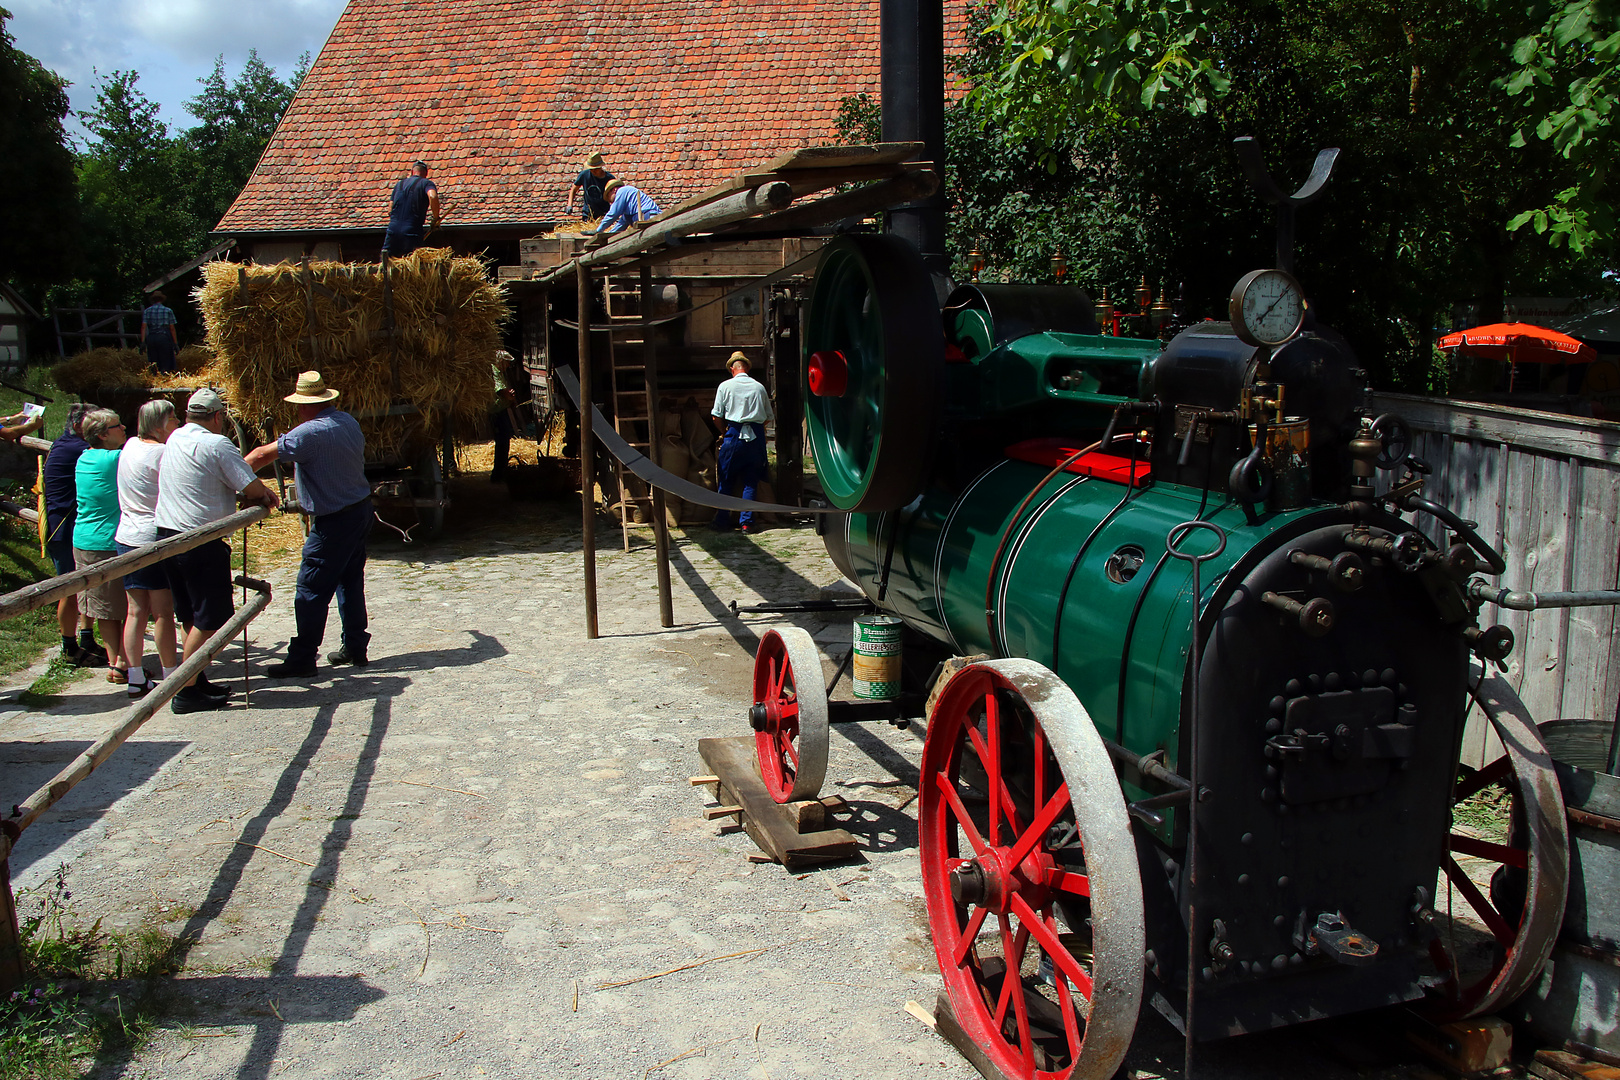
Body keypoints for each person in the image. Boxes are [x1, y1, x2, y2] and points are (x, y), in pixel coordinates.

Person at [154, 388, 279, 712]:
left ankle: (197, 680)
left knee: (190, 613)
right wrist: (264, 493)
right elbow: (249, 485)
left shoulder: (176, 439)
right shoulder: (217, 443)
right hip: (200, 538)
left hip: (167, 534)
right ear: (218, 417)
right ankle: (184, 688)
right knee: (214, 615)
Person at [245, 372, 373, 677]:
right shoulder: (347, 422)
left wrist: (241, 484)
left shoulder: (307, 434)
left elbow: (260, 455)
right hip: (359, 510)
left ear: (303, 406)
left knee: (310, 587)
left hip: (333, 520)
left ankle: (302, 657)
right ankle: (355, 645)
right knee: (349, 580)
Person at [116, 399, 182, 698]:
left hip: (126, 535)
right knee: (164, 612)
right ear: (158, 425)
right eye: (172, 419)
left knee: (135, 611)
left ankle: (134, 675)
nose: (177, 423)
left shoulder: (130, 445)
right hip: (152, 536)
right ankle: (171, 673)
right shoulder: (162, 452)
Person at [72, 409, 133, 683]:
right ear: (102, 434)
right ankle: (120, 663)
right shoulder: (114, 459)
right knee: (120, 605)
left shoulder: (85, 456)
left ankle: (116, 660)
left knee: (104, 607)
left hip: (85, 539)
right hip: (106, 541)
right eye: (116, 425)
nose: (123, 427)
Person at [42, 403, 100, 665]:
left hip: (72, 525)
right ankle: (68, 647)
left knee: (85, 584)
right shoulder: (78, 449)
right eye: (94, 424)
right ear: (79, 426)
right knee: (69, 587)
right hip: (64, 527)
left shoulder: (66, 444)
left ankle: (86, 637)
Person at [708, 351, 774, 533]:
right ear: (747, 368)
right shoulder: (759, 387)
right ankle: (746, 523)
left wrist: (724, 431)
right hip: (755, 437)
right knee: (751, 481)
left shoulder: (725, 386)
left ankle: (722, 521)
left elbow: (716, 416)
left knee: (726, 479)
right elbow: (768, 416)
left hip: (734, 435)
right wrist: (754, 426)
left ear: (732, 369)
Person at [382, 160, 440, 257]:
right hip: (412, 232)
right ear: (426, 174)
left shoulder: (398, 185)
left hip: (392, 231)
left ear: (412, 171)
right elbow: (433, 196)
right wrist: (435, 218)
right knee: (412, 266)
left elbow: (390, 210)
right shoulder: (426, 183)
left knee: (386, 264)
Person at [594, 179, 661, 235]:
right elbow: (621, 225)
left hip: (650, 216)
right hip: (644, 216)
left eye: (609, 196)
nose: (611, 202)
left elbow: (613, 214)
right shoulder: (628, 210)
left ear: (613, 190)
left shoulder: (622, 191)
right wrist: (608, 235)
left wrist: (599, 230)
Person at [490, 350, 517, 483]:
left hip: (500, 409)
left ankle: (500, 471)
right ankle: (498, 474)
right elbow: (500, 391)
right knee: (502, 441)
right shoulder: (494, 371)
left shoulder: (499, 372)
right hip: (497, 411)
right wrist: (510, 396)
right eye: (506, 362)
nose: (507, 366)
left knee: (504, 441)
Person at [566, 152, 614, 220]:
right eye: (591, 169)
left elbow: (615, 197)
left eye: (596, 169)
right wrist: (569, 205)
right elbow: (573, 189)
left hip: (604, 215)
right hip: (588, 214)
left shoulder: (609, 179)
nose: (593, 171)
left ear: (600, 167)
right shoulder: (584, 175)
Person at [141, 292, 179, 374]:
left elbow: (144, 327)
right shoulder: (168, 311)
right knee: (165, 359)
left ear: (153, 300)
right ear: (161, 300)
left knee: (153, 359)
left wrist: (143, 342)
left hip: (151, 337)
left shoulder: (147, 311)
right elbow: (172, 328)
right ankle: (164, 375)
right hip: (163, 337)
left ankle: (154, 376)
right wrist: (175, 343)